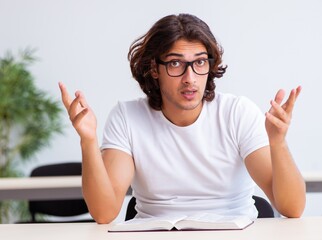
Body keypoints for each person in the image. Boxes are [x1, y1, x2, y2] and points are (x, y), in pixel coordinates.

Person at [59, 13, 306, 224]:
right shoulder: (127, 117)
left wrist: (278, 142)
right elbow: (104, 213)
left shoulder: (237, 112)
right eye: (176, 63)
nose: (190, 78)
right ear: (154, 69)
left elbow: (292, 208)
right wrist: (88, 141)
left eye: (199, 62)